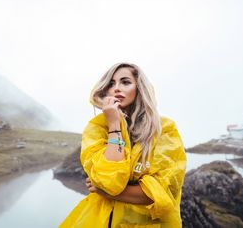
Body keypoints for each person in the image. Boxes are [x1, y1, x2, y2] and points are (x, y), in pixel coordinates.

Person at [59, 63, 186, 228]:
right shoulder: (98, 128)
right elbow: (108, 180)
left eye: (125, 82)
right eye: (111, 84)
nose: (116, 88)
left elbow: (159, 194)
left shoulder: (164, 129)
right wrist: (114, 125)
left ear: (139, 88)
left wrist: (106, 192)